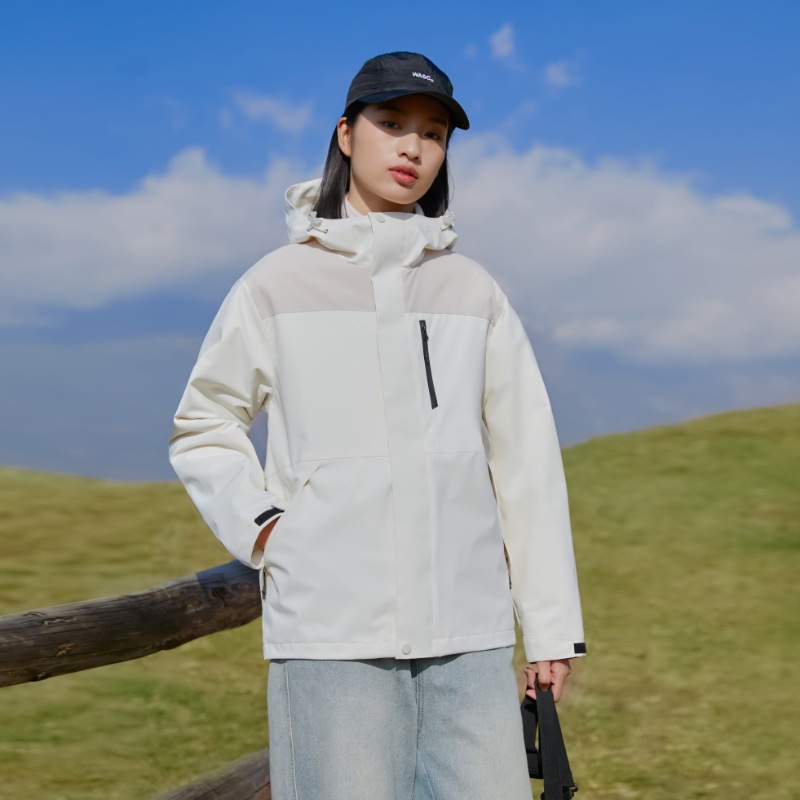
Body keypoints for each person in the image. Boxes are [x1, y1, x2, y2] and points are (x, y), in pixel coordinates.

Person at [169, 51, 585, 800]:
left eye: (433, 134)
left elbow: (526, 461)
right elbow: (205, 422)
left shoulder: (473, 291)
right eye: (391, 124)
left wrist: (550, 631)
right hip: (332, 634)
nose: (412, 148)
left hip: (469, 636)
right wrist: (268, 531)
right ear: (345, 134)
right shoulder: (275, 284)